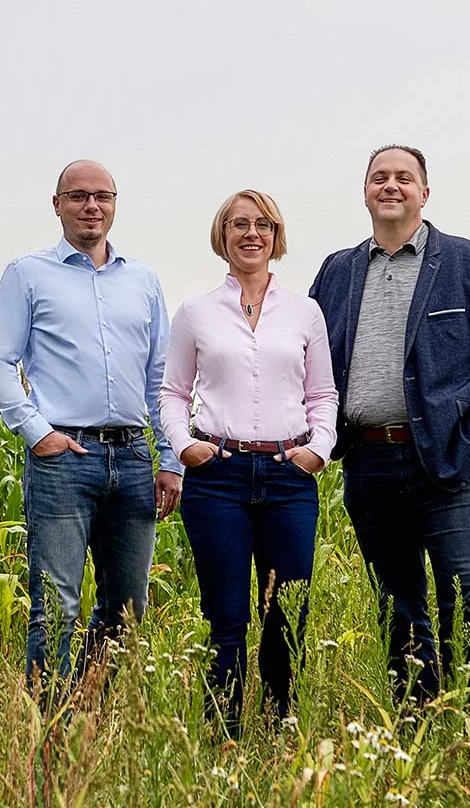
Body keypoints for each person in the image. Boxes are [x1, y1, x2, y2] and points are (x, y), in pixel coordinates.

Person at [309, 145, 470, 705]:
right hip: (368, 461)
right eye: (379, 177)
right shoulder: (336, 272)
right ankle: (415, 729)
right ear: (364, 192)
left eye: (403, 178)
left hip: (450, 459)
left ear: (424, 193)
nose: (391, 186)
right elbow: (306, 357)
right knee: (397, 604)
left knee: (467, 597)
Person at [0, 160, 183, 692]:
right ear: (57, 204)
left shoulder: (143, 280)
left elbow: (161, 377)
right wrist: (37, 432)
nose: (91, 206)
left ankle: (89, 705)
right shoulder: (28, 273)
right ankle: (48, 723)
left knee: (129, 605)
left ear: (114, 204)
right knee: (57, 602)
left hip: (135, 459)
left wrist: (168, 458)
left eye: (102, 197)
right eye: (78, 196)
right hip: (64, 459)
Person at [159, 189, 338, 736]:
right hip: (218, 479)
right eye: (239, 224)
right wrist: (183, 445)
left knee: (287, 612)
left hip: (288, 477)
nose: (251, 233)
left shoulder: (305, 312)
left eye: (262, 224)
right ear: (224, 236)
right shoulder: (195, 313)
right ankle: (224, 736)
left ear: (276, 235)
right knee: (228, 616)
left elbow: (323, 395)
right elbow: (171, 391)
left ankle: (280, 725)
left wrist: (318, 450)